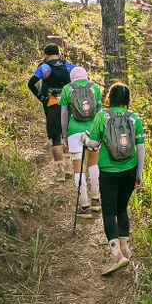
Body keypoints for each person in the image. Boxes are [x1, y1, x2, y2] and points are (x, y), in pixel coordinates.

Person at [85, 83, 144, 276]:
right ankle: (126, 249)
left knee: (109, 212)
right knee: (121, 209)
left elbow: (93, 144)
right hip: (130, 169)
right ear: (127, 100)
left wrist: (85, 140)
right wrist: (139, 173)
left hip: (109, 171)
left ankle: (117, 255)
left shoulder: (102, 116)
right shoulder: (135, 118)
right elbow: (140, 147)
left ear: (110, 98)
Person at [59, 66, 103, 216]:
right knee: (93, 164)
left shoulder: (67, 88)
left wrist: (64, 136)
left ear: (72, 77)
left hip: (73, 131)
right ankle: (96, 200)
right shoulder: (95, 88)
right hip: (92, 132)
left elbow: (64, 114)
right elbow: (99, 112)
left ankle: (84, 207)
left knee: (78, 168)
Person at [27, 45, 74, 179]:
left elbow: (31, 83)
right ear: (58, 53)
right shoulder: (68, 65)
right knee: (67, 136)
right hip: (67, 104)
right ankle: (69, 166)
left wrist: (41, 97)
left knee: (56, 138)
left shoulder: (45, 67)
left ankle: (60, 172)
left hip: (52, 104)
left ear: (46, 55)